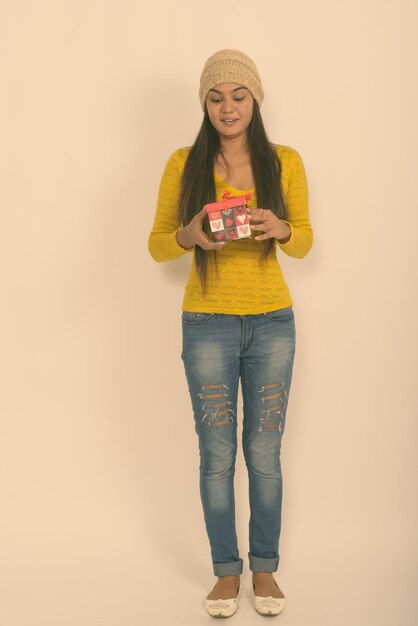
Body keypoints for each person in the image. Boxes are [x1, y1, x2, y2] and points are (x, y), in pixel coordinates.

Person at [148, 49, 313, 618]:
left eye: (238, 95)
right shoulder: (182, 163)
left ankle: (263, 570)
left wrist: (281, 227)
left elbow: (307, 239)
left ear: (255, 100)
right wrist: (191, 233)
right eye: (215, 97)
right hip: (207, 325)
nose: (227, 107)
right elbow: (157, 244)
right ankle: (226, 573)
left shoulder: (284, 161)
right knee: (216, 456)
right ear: (205, 105)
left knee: (264, 454)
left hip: (273, 323)